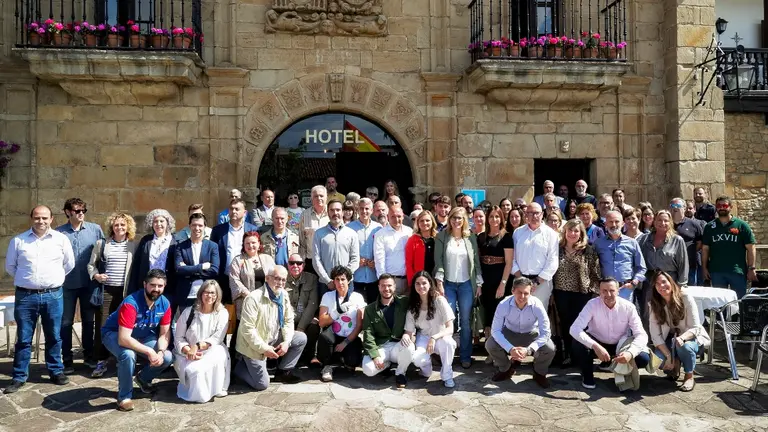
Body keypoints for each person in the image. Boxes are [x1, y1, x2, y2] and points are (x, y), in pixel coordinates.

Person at [4, 205, 75, 394]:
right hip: (26, 296)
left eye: (45, 218)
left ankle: (55, 371)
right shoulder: (18, 241)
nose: (41, 221)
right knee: (24, 338)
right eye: (37, 218)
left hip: (53, 295)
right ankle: (19, 376)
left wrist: (51, 281)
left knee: (54, 335)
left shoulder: (61, 240)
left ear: (52, 219)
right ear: (31, 219)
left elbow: (69, 264)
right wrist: (30, 282)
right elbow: (11, 267)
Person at [101, 269, 174, 411]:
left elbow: (164, 334)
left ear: (164, 286)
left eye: (160, 286)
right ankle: (124, 397)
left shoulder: (165, 303)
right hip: (114, 334)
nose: (156, 289)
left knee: (167, 357)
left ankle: (143, 379)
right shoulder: (131, 303)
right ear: (145, 284)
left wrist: (159, 351)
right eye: (152, 285)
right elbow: (123, 339)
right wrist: (149, 351)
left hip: (142, 336)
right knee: (128, 354)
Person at [570, 278, 650, 390]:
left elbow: (641, 334)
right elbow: (574, 329)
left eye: (612, 290)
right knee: (578, 344)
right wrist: (595, 346)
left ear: (618, 291)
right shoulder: (592, 304)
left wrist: (630, 353)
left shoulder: (628, 307)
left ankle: (620, 371)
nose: (608, 294)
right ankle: (587, 375)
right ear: (599, 291)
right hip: (597, 341)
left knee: (643, 358)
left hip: (619, 344)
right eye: (604, 291)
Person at [235, 266, 306, 389]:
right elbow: (248, 330)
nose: (281, 283)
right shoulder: (253, 298)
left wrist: (286, 342)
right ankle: (239, 367)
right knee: (262, 384)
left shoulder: (283, 295)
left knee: (300, 338)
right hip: (253, 346)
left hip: (272, 337)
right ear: (267, 279)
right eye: (277, 279)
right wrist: (265, 349)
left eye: (284, 280)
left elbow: (288, 320)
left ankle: (283, 371)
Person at [56, 197, 104, 374]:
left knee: (88, 322)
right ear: (68, 212)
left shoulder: (95, 230)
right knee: (66, 322)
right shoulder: (59, 233)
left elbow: (103, 254)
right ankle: (67, 360)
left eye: (83, 210)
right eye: (77, 211)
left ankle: (89, 357)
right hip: (66, 284)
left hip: (89, 283)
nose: (81, 213)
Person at [88, 213, 139, 378]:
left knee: (125, 326)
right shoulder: (102, 244)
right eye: (116, 225)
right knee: (103, 326)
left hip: (125, 292)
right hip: (107, 291)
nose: (120, 228)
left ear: (128, 227)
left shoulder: (133, 245)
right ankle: (101, 360)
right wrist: (96, 276)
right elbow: (91, 265)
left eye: (123, 225)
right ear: (112, 227)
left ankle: (122, 358)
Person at [434, 207, 483, 369]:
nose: (456, 221)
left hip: (466, 284)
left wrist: (478, 283)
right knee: (448, 319)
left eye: (460, 218)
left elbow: (475, 262)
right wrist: (439, 282)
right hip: (448, 284)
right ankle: (446, 355)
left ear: (464, 221)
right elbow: (439, 261)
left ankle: (465, 355)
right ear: (450, 219)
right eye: (454, 218)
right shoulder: (442, 236)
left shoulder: (470, 238)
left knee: (466, 321)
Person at [485, 277, 555, 388]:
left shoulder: (537, 305)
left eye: (526, 293)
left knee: (550, 349)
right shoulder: (503, 304)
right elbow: (496, 330)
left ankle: (539, 373)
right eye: (519, 292)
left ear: (531, 292)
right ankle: (506, 369)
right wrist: (510, 349)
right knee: (490, 344)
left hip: (531, 333)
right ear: (513, 291)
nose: (522, 297)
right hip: (509, 333)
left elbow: (546, 332)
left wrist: (529, 350)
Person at [649, 271, 710, 392]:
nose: (661, 286)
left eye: (664, 282)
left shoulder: (685, 297)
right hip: (669, 339)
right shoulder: (654, 304)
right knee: (658, 359)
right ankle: (674, 362)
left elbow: (696, 327)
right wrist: (668, 355)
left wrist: (682, 338)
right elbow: (655, 335)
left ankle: (689, 376)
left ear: (671, 282)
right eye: (657, 284)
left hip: (690, 337)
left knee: (684, 347)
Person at [552, 219, 601, 367]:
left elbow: (595, 272)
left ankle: (582, 354)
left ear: (581, 233)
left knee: (581, 325)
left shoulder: (588, 250)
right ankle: (569, 355)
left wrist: (594, 291)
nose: (572, 233)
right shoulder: (557, 249)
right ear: (565, 232)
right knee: (566, 324)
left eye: (576, 231)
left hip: (582, 294)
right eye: (570, 230)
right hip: (561, 293)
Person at [173, 280, 230, 402]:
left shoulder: (222, 313)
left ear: (217, 295)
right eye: (206, 292)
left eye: (213, 293)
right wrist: (188, 350)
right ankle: (197, 393)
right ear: (200, 293)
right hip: (188, 352)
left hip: (212, 350)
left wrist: (197, 346)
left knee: (202, 368)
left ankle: (212, 390)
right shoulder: (189, 312)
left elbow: (217, 338)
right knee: (194, 370)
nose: (209, 296)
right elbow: (178, 338)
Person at [403, 271, 456, 388]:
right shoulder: (413, 306)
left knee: (449, 343)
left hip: (441, 336)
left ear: (430, 284)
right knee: (418, 360)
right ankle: (427, 370)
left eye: (424, 283)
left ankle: (447, 375)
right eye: (417, 283)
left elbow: (450, 328)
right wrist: (406, 336)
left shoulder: (440, 300)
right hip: (424, 338)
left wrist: (434, 337)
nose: (421, 286)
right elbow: (409, 331)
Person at [228, 231, 276, 359]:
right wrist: (250, 295)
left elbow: (274, 278)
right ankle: (235, 361)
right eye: (247, 243)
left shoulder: (267, 259)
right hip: (245, 301)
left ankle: (263, 357)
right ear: (243, 245)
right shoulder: (238, 260)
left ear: (259, 243)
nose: (251, 246)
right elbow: (234, 281)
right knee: (242, 331)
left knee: (262, 329)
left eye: (253, 242)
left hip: (266, 302)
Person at [361, 274, 414, 388]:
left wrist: (408, 334)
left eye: (389, 285)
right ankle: (386, 364)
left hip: (398, 345)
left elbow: (420, 302)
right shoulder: (370, 309)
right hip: (381, 347)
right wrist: (375, 356)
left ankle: (400, 372)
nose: (386, 289)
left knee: (409, 347)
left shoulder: (403, 302)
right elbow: (368, 334)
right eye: (383, 286)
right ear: (379, 287)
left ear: (394, 287)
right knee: (368, 369)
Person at [317, 266, 367, 382]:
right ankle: (327, 366)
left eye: (343, 279)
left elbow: (360, 325)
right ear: (333, 281)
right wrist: (337, 312)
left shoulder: (357, 297)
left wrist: (346, 342)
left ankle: (343, 359)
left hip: (350, 336)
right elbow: (322, 321)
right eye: (337, 279)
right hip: (333, 334)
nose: (340, 282)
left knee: (352, 362)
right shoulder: (327, 296)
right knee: (325, 337)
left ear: (348, 280)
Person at [702, 196, 757, 298]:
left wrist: (751, 268)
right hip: (716, 271)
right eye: (719, 205)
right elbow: (705, 249)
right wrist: (704, 268)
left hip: (737, 271)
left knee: (739, 301)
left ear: (731, 207)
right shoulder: (709, 227)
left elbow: (751, 248)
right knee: (719, 303)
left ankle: (738, 315)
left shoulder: (742, 225)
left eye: (724, 205)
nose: (721, 208)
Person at [638, 210, 688, 322]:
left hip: (670, 280)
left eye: (666, 220)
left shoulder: (677, 240)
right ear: (654, 221)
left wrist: (680, 285)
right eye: (659, 220)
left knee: (669, 310)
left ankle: (671, 336)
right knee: (649, 311)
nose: (662, 223)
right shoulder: (645, 239)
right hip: (650, 280)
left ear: (670, 222)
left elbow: (683, 264)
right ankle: (649, 337)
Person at [211, 198, 258, 305]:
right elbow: (213, 254)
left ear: (245, 212)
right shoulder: (218, 230)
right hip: (224, 277)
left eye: (237, 209)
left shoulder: (253, 230)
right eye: (231, 209)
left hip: (246, 277)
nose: (234, 212)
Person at [477, 206, 514, 344]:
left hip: (499, 278)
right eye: (491, 216)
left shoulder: (506, 237)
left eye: (497, 216)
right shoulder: (481, 237)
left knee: (498, 313)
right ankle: (488, 346)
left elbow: (509, 263)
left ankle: (499, 346)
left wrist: (503, 284)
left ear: (501, 218)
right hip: (485, 278)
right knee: (487, 312)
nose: (494, 219)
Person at [511, 202, 559, 307]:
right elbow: (512, 258)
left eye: (537, 213)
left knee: (539, 315)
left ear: (542, 214)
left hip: (541, 284)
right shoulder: (518, 233)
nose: (534, 216)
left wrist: (536, 282)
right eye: (530, 213)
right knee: (520, 312)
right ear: (526, 215)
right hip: (520, 280)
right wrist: (521, 279)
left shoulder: (551, 234)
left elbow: (553, 261)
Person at [593, 210, 646, 302]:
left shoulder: (632, 243)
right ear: (605, 224)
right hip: (605, 290)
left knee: (625, 316)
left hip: (625, 290)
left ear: (622, 224)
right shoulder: (598, 243)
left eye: (617, 221)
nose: (614, 224)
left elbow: (641, 267)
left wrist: (634, 282)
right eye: (610, 221)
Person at [128, 209, 178, 305]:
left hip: (168, 289)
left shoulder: (175, 241)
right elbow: (137, 264)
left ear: (168, 223)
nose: (158, 224)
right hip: (147, 288)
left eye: (161, 221)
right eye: (155, 221)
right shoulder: (146, 241)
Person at [313, 200, 360, 297]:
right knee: (326, 312)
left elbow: (355, 259)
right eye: (332, 210)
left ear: (342, 212)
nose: (335, 213)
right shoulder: (319, 234)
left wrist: (344, 278)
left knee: (347, 311)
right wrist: (328, 281)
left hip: (347, 283)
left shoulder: (352, 234)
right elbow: (316, 259)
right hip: (326, 284)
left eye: (338, 210)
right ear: (327, 212)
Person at [174, 213, 220, 310]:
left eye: (200, 225)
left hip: (207, 294)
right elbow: (179, 269)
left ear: (205, 227)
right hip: (186, 294)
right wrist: (201, 267)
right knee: (186, 324)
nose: (197, 228)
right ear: (189, 226)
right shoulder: (180, 247)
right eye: (194, 225)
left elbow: (214, 270)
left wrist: (188, 270)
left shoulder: (212, 246)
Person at [285, 254, 320, 365]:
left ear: (304, 265)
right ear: (288, 265)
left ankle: (309, 355)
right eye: (292, 263)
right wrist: (290, 324)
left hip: (304, 318)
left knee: (314, 325)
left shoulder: (312, 279)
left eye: (299, 263)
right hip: (287, 319)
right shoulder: (282, 278)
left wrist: (301, 327)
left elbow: (312, 304)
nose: (295, 266)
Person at [348, 198, 383, 303]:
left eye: (367, 208)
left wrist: (376, 263)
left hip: (373, 276)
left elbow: (381, 250)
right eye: (361, 208)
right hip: (356, 276)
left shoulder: (378, 228)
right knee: (356, 307)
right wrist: (355, 261)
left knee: (373, 306)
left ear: (372, 210)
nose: (364, 211)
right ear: (357, 210)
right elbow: (345, 250)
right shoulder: (349, 228)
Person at [374, 207, 413, 294]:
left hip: (409, 280)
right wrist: (384, 282)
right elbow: (379, 260)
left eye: (399, 216)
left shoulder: (410, 232)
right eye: (393, 217)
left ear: (403, 216)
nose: (396, 219)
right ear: (388, 217)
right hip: (391, 281)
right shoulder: (381, 234)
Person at [670, 198, 705, 286]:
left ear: (684, 208)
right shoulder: (666, 224)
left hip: (689, 266)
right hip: (670, 268)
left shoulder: (693, 224)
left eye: (678, 206)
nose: (675, 208)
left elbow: (699, 243)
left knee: (690, 293)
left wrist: (688, 252)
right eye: (672, 206)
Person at [300, 185, 330, 274]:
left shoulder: (333, 212)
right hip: (310, 261)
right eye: (316, 196)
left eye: (321, 196)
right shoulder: (304, 215)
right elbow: (301, 240)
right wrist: (302, 259)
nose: (319, 198)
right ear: (311, 198)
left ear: (326, 197)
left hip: (328, 260)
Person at [405, 210, 438, 285]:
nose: (425, 223)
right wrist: (412, 282)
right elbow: (409, 264)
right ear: (418, 223)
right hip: (420, 281)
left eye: (427, 220)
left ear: (432, 222)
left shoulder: (438, 238)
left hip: (436, 279)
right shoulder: (412, 240)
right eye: (422, 221)